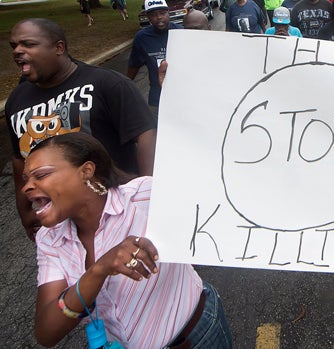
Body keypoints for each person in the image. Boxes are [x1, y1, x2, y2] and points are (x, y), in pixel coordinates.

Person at [23, 132, 232, 348]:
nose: (26, 187)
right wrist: (98, 270)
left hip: (197, 336)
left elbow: (215, 202)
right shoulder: (49, 240)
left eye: (41, 175)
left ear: (86, 171)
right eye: (26, 179)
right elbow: (47, 332)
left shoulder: (143, 195)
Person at [6, 18, 157, 242]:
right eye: (14, 46)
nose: (18, 51)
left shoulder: (107, 84)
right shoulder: (16, 100)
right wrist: (25, 211)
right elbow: (20, 160)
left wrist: (149, 201)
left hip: (115, 213)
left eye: (28, 44)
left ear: (59, 48)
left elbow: (146, 137)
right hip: (58, 224)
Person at [128, 0, 182, 115]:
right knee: (158, 129)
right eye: (153, 15)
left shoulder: (181, 32)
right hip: (158, 96)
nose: (158, 17)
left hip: (182, 92)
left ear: (168, 12)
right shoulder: (141, 38)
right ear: (148, 17)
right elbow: (134, 65)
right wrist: (126, 85)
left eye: (162, 13)